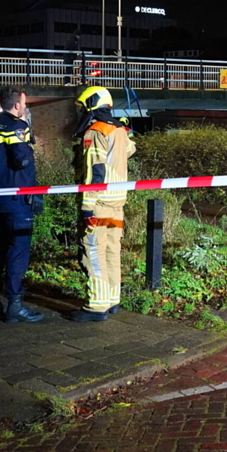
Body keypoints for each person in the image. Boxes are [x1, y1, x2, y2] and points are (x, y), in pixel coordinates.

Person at [0, 86, 44, 322]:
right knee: (18, 252)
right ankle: (15, 304)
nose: (25, 107)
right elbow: (21, 160)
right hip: (15, 199)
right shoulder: (16, 126)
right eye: (24, 104)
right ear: (16, 105)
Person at [71, 86, 136, 322]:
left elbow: (94, 171)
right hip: (117, 202)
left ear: (91, 104)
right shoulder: (119, 130)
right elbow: (130, 150)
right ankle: (112, 300)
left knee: (94, 253)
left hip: (98, 202)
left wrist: (86, 206)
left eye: (82, 106)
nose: (80, 111)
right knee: (111, 251)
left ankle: (96, 307)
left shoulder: (95, 132)